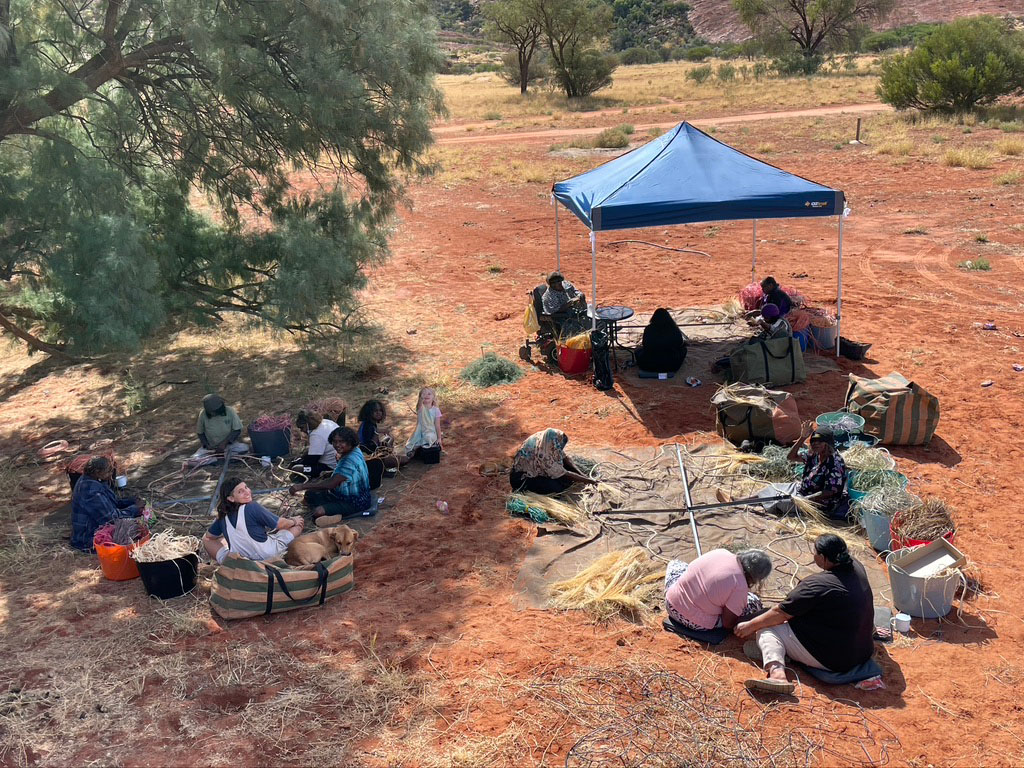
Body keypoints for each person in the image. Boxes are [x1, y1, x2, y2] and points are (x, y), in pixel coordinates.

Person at [734, 534, 875, 694]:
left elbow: (780, 613)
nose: (813, 556)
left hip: (835, 660)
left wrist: (750, 625)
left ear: (822, 557)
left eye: (814, 552)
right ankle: (786, 652)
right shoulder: (858, 567)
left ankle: (777, 675)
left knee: (766, 629)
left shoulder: (816, 585)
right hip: (863, 650)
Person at [723, 423, 849, 520]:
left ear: (827, 444)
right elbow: (791, 457)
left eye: (819, 442)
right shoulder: (815, 454)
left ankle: (746, 506)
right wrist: (802, 438)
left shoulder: (835, 463)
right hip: (802, 489)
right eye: (813, 442)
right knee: (772, 488)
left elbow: (830, 491)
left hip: (818, 502)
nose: (815, 445)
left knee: (779, 501)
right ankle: (740, 500)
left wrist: (807, 500)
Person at [664, 548, 772, 631]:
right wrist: (760, 615)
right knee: (753, 602)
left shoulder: (721, 552)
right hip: (691, 621)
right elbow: (728, 624)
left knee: (676, 564)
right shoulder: (740, 587)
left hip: (671, 602)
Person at [203, 478, 304, 563]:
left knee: (206, 540)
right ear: (231, 498)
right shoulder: (251, 507)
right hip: (267, 556)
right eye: (240, 491)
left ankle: (226, 564)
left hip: (240, 561)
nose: (247, 492)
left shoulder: (222, 515)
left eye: (246, 487)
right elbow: (280, 524)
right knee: (297, 526)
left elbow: (209, 536)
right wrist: (293, 521)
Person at [289, 427, 373, 519]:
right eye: (335, 441)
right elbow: (345, 476)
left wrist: (301, 486)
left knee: (318, 511)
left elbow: (331, 484)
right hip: (347, 495)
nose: (337, 445)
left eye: (341, 442)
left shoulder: (349, 460)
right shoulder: (355, 450)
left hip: (354, 502)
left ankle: (335, 516)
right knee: (310, 494)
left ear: (350, 441)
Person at [70, 456, 143, 551]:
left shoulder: (93, 480)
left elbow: (113, 502)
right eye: (108, 471)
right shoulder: (91, 490)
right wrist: (135, 509)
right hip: (88, 538)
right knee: (135, 532)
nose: (111, 474)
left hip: (93, 529)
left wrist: (132, 501)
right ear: (97, 472)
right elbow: (111, 518)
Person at [509, 428, 597, 494]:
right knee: (557, 487)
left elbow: (564, 457)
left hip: (536, 466)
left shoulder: (547, 440)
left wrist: (581, 474)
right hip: (522, 479)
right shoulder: (544, 455)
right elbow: (564, 474)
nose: (560, 448)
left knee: (564, 466)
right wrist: (588, 481)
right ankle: (528, 489)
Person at [711, 303, 792, 375]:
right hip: (768, 347)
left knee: (746, 355)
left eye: (766, 318)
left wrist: (762, 323)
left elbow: (773, 330)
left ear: (772, 317)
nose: (765, 320)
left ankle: (721, 363)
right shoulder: (773, 321)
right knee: (744, 346)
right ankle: (726, 360)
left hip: (775, 350)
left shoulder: (781, 323)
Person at [357, 400, 408, 468]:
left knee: (387, 439)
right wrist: (389, 446)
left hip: (372, 454)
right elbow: (373, 449)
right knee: (405, 459)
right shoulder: (368, 427)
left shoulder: (369, 424)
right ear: (369, 412)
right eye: (375, 411)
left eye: (380, 410)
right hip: (372, 459)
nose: (379, 413)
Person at [635, 308, 687, 373]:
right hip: (672, 365)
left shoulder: (649, 329)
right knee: (684, 350)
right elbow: (679, 343)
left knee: (637, 351)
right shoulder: (674, 329)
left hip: (649, 365)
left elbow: (645, 345)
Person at [290, 409, 340, 478]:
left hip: (330, 467)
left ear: (308, 424)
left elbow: (312, 460)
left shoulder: (316, 435)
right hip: (338, 461)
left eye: (302, 427)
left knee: (297, 468)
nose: (301, 430)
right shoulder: (327, 422)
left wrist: (300, 463)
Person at [405, 387, 443, 461]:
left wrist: (439, 438)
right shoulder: (421, 408)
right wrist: (421, 399)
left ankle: (417, 449)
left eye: (429, 394)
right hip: (420, 430)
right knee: (409, 445)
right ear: (420, 397)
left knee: (428, 438)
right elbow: (419, 405)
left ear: (433, 397)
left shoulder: (436, 410)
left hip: (430, 431)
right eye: (424, 394)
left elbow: (437, 425)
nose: (426, 395)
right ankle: (417, 449)